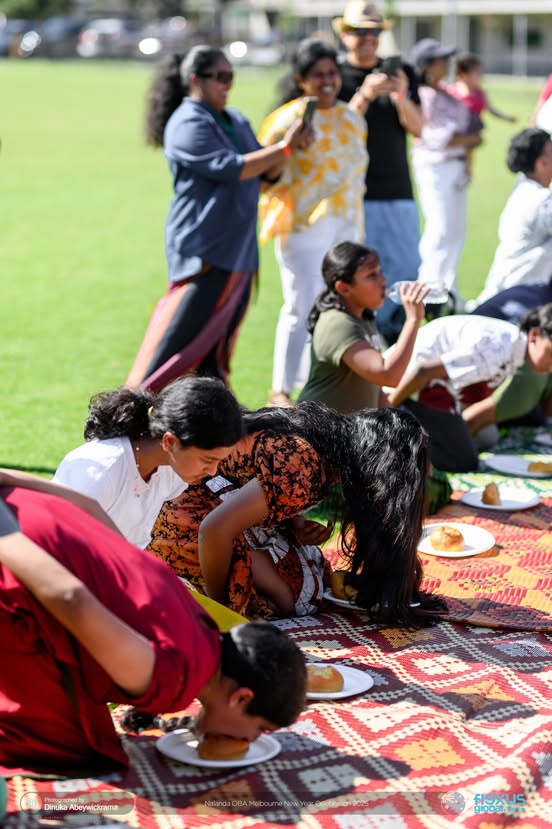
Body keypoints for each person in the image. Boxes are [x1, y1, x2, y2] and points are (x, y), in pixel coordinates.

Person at [0, 486, 306, 776]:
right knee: (63, 748)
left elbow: (91, 509)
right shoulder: (173, 679)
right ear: (240, 699)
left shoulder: (200, 624)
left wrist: (5, 480)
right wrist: (4, 532)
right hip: (18, 551)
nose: (250, 741)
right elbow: (70, 599)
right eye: (260, 731)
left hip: (29, 507)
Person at [147, 404, 444, 627]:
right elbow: (213, 530)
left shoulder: (325, 438)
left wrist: (295, 527)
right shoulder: (304, 465)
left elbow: (254, 477)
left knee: (312, 574)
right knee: (295, 597)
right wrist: (222, 609)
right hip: (181, 519)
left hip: (209, 502)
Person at [126, 46, 310, 392]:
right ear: (195, 80)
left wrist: (290, 150)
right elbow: (233, 169)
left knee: (217, 351)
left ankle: (206, 422)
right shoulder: (186, 122)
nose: (228, 84)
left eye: (231, 76)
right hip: (204, 251)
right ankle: (131, 410)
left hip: (239, 251)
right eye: (220, 77)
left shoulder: (235, 118)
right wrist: (283, 148)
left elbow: (265, 170)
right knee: (171, 349)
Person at [257, 37, 368, 407]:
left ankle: (321, 387)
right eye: (318, 75)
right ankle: (281, 390)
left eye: (332, 73)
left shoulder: (353, 118)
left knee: (340, 306)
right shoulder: (286, 119)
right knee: (300, 304)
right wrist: (289, 148)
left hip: (346, 223)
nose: (327, 81)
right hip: (303, 225)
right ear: (301, 79)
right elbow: (262, 174)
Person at [54, 376, 244, 549]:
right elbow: (57, 542)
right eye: (207, 460)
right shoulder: (102, 470)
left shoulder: (171, 468)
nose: (212, 471)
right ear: (170, 441)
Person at [334, 1, 423, 345]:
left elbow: (419, 129)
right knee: (360, 277)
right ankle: (364, 342)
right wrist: (365, 95)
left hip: (398, 190)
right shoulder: (336, 77)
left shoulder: (403, 73)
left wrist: (401, 96)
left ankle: (397, 342)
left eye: (374, 32)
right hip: (355, 194)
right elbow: (339, 131)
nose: (368, 39)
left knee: (404, 271)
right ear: (344, 34)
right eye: (360, 32)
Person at [387, 305, 552, 472]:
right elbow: (422, 371)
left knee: (486, 436)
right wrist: (386, 407)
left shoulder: (515, 346)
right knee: (462, 459)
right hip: (413, 385)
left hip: (436, 387)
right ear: (535, 335)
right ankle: (389, 452)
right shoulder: (496, 349)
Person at [297, 241, 429, 413]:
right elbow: (387, 375)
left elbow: (374, 386)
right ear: (343, 288)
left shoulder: (362, 317)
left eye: (379, 272)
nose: (383, 280)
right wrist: (413, 320)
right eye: (371, 275)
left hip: (346, 432)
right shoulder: (338, 324)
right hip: (318, 433)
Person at [409, 38, 483, 308]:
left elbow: (473, 133)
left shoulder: (444, 92)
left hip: (455, 167)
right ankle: (427, 294)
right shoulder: (423, 95)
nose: (446, 64)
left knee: (455, 232)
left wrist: (468, 139)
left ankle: (449, 293)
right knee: (439, 231)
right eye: (440, 60)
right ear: (427, 65)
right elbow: (439, 138)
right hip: (436, 167)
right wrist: (468, 139)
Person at [471, 128, 552, 308]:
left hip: (507, 290)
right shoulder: (541, 202)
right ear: (541, 163)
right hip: (517, 300)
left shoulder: (523, 190)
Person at [469, 281, 552, 440]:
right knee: (534, 363)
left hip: (499, 368)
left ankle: (543, 426)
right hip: (468, 380)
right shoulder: (537, 304)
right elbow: (528, 346)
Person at [447, 53, 517, 178]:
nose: (480, 77)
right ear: (464, 76)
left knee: (469, 153)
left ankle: (466, 174)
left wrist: (507, 118)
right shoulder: (452, 92)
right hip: (455, 133)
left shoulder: (479, 93)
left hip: (471, 133)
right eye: (477, 74)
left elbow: (491, 110)